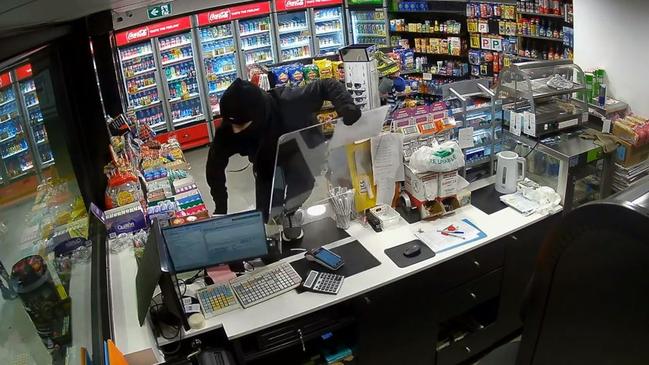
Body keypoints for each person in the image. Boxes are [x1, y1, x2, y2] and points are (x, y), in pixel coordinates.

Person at [206, 78, 361, 241]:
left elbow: (327, 85)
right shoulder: (228, 131)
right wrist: (220, 207)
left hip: (302, 149)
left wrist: (347, 106)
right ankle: (274, 222)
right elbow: (214, 168)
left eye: (241, 125)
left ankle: (291, 213)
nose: (235, 131)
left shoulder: (289, 100)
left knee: (302, 185)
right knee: (267, 208)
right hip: (266, 158)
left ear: (259, 114)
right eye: (232, 125)